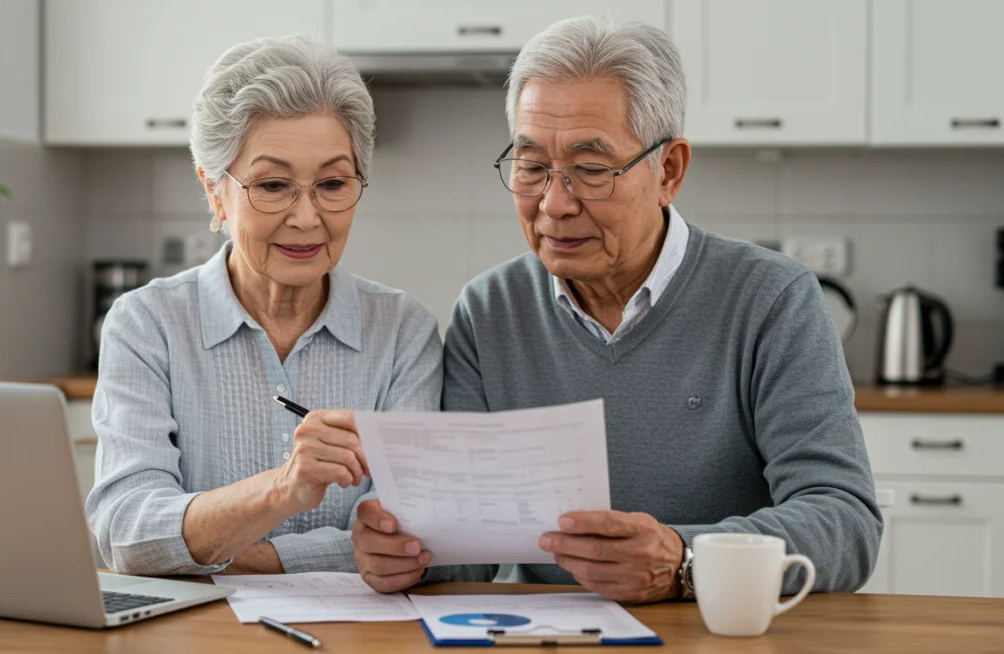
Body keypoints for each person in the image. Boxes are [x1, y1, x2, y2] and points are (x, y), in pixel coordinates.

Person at [351, 15, 882, 603]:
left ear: (669, 171)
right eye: (531, 168)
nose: (554, 204)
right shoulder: (490, 309)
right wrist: (411, 554)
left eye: (591, 170)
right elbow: (474, 549)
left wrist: (684, 561)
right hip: (550, 639)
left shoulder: (770, 299)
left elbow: (846, 522)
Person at [86, 36, 442, 577]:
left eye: (332, 183)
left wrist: (233, 557)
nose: (306, 217)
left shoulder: (404, 331)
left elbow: (423, 542)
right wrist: (282, 490)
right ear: (213, 192)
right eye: (273, 185)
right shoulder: (148, 324)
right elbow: (128, 533)